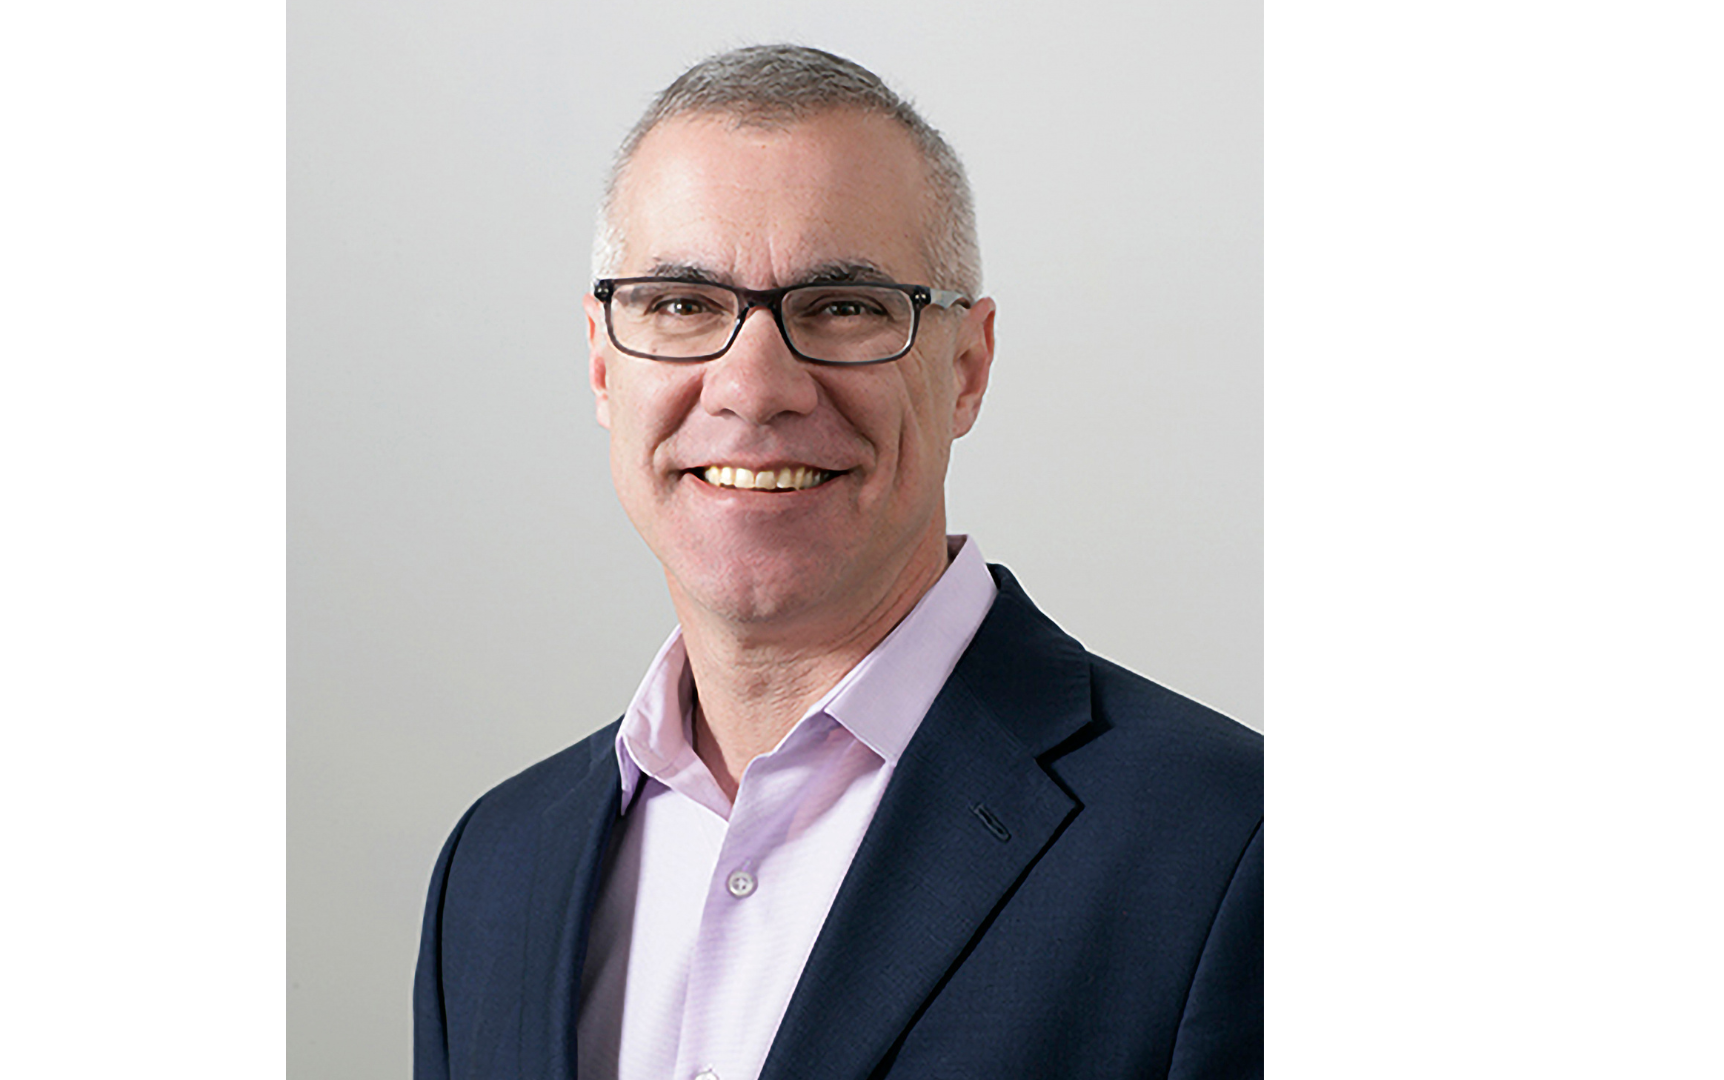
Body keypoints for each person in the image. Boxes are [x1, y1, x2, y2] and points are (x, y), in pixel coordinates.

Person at [414, 44, 1261, 1080]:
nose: (753, 386)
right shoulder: (495, 870)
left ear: (967, 367)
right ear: (602, 364)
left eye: (844, 307)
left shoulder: (1231, 847)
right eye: (682, 305)